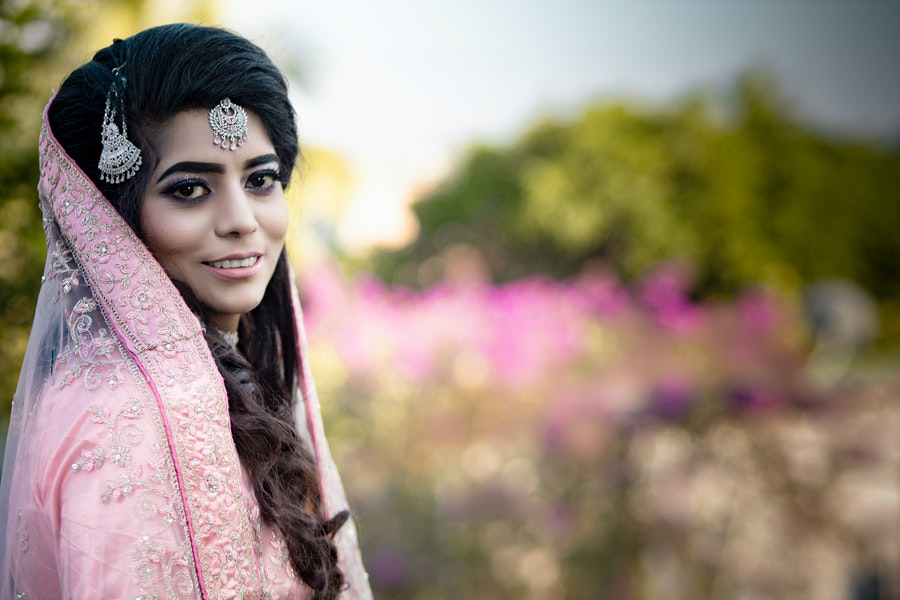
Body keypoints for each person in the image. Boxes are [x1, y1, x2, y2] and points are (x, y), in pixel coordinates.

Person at [0, 24, 371, 599]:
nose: (241, 219)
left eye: (261, 179)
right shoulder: (122, 417)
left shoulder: (227, 380)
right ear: (112, 218)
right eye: (190, 189)